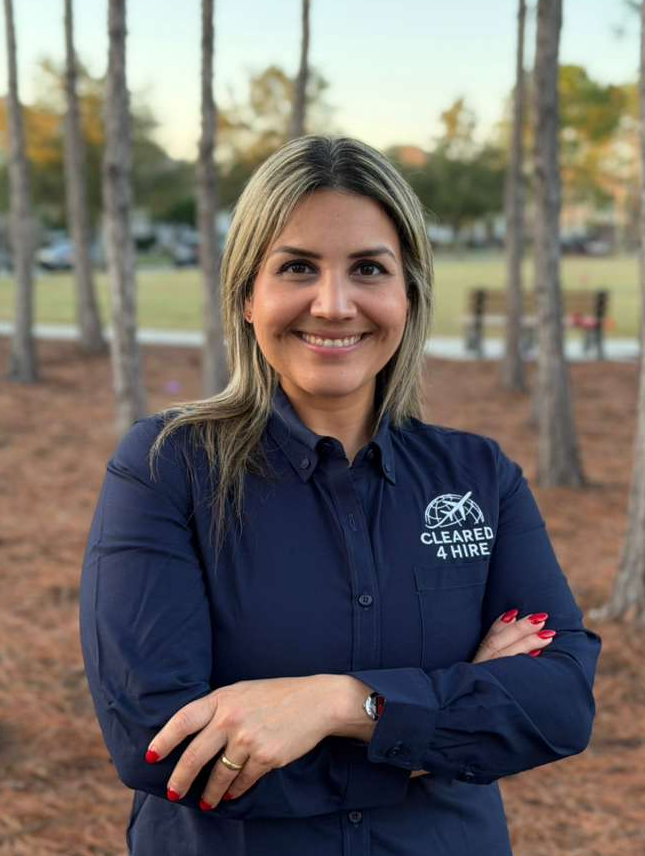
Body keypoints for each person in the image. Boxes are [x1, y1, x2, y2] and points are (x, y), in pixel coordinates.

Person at [79, 135, 602, 856]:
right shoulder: (168, 467)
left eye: (367, 269)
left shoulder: (478, 477)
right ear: (245, 296)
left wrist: (337, 705)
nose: (333, 304)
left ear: (407, 294)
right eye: (296, 267)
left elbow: (560, 706)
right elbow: (160, 745)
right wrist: (441, 727)